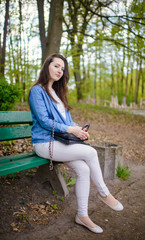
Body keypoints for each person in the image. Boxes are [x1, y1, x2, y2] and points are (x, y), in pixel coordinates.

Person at [29, 53, 123, 234]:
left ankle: (82, 215)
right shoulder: (37, 91)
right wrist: (70, 130)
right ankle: (104, 193)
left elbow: (68, 121)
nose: (59, 70)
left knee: (84, 169)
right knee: (91, 153)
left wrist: (78, 129)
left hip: (59, 142)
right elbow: (44, 121)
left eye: (62, 69)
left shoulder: (58, 93)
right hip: (44, 143)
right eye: (56, 66)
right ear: (47, 65)